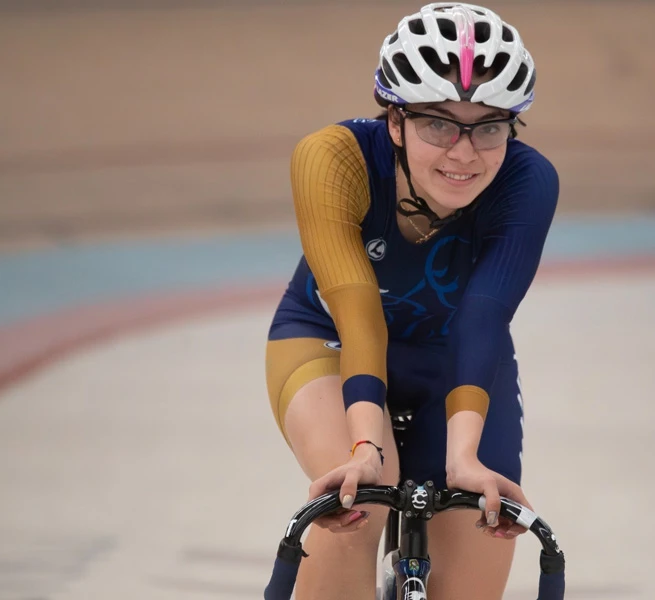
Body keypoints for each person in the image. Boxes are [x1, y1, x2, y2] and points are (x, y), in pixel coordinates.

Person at [265, 2, 559, 597]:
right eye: (438, 124)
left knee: (479, 524)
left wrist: (466, 458)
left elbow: (483, 319)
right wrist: (367, 447)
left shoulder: (529, 182)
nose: (463, 153)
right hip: (332, 338)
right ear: (394, 122)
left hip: (456, 354)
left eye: (489, 127)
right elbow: (359, 316)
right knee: (358, 506)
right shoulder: (331, 159)